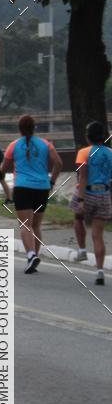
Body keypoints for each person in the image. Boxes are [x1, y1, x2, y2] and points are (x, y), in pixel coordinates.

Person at [2, 114, 62, 274]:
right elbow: (59, 163)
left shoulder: (13, 145)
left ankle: (31, 255)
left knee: (25, 225)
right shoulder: (45, 144)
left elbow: (4, 167)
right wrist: (52, 181)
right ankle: (34, 258)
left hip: (22, 188)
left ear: (19, 129)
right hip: (42, 188)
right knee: (36, 225)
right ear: (34, 127)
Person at [71, 121, 112, 286]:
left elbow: (83, 177)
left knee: (77, 216)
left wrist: (80, 200)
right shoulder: (110, 153)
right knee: (98, 235)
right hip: (104, 193)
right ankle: (100, 271)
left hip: (87, 192)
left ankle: (81, 249)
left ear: (88, 137)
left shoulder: (84, 153)